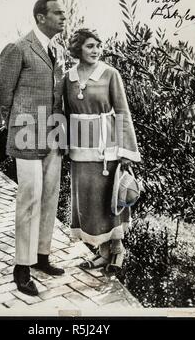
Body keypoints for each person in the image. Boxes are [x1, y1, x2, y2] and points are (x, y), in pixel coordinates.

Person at [0, 0, 66, 296]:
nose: (63, 16)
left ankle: (41, 256)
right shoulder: (18, 48)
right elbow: (1, 92)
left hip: (53, 134)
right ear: (40, 17)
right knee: (30, 198)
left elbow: (59, 91)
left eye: (63, 12)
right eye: (57, 13)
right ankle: (21, 268)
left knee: (50, 194)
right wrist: (17, 124)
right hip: (26, 134)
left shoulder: (59, 50)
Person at [62, 28, 141, 271]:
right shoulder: (68, 77)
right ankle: (102, 253)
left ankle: (117, 252)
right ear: (78, 49)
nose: (96, 50)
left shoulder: (110, 74)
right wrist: (63, 146)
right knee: (90, 203)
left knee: (111, 200)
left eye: (98, 45)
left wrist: (126, 152)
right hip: (80, 150)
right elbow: (64, 114)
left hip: (108, 151)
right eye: (89, 46)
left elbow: (122, 112)